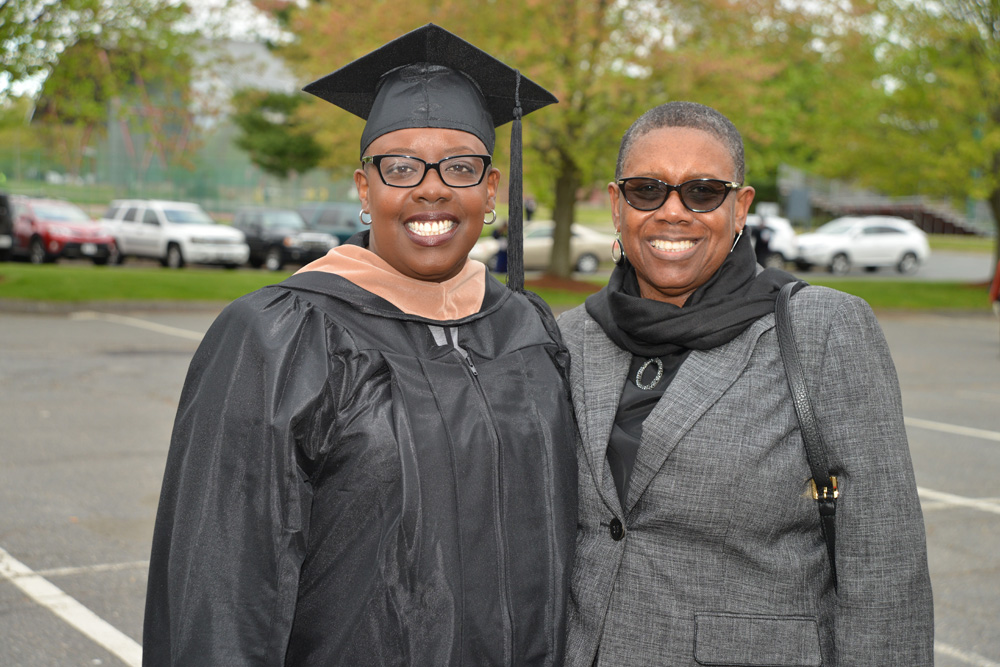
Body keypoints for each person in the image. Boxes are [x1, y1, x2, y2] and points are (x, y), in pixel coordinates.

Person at [143, 24, 578, 665]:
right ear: (364, 188)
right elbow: (220, 590)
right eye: (400, 167)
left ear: (490, 191)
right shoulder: (279, 337)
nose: (432, 187)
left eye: (460, 167)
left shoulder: (526, 327)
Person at [558, 101, 933, 666]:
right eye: (647, 190)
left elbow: (884, 562)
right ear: (617, 205)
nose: (673, 211)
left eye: (703, 192)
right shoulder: (569, 337)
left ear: (740, 208)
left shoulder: (822, 329)